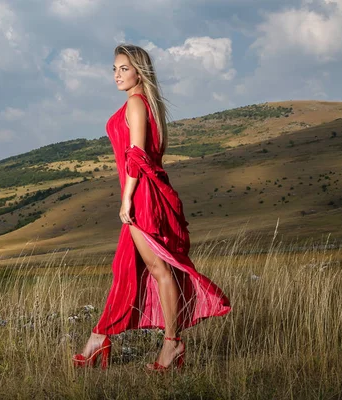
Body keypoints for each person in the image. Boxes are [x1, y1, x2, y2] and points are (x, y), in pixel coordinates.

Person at [72, 44, 231, 372]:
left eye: (123, 69)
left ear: (139, 71)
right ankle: (100, 337)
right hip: (144, 194)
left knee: (159, 270)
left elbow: (137, 155)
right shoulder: (143, 102)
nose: (117, 75)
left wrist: (127, 197)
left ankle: (170, 344)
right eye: (114, 69)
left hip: (142, 196)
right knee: (128, 268)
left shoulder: (136, 102)